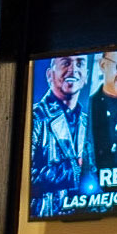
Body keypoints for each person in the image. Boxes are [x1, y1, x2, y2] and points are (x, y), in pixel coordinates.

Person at [30, 55, 91, 217]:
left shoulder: (88, 123)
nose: (73, 69)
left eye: (80, 63)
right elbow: (23, 177)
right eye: (65, 63)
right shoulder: (35, 118)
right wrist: (74, 170)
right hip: (43, 218)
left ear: (86, 76)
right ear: (49, 74)